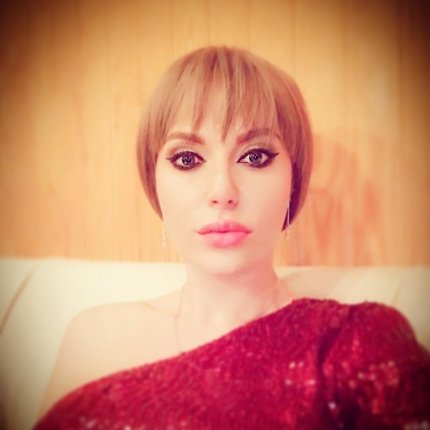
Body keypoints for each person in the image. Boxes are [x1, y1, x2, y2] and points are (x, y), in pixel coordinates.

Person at [35, 46, 430, 429]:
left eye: (255, 156)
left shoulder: (358, 342)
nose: (222, 191)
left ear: (294, 180)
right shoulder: (90, 337)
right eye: (187, 159)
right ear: (154, 183)